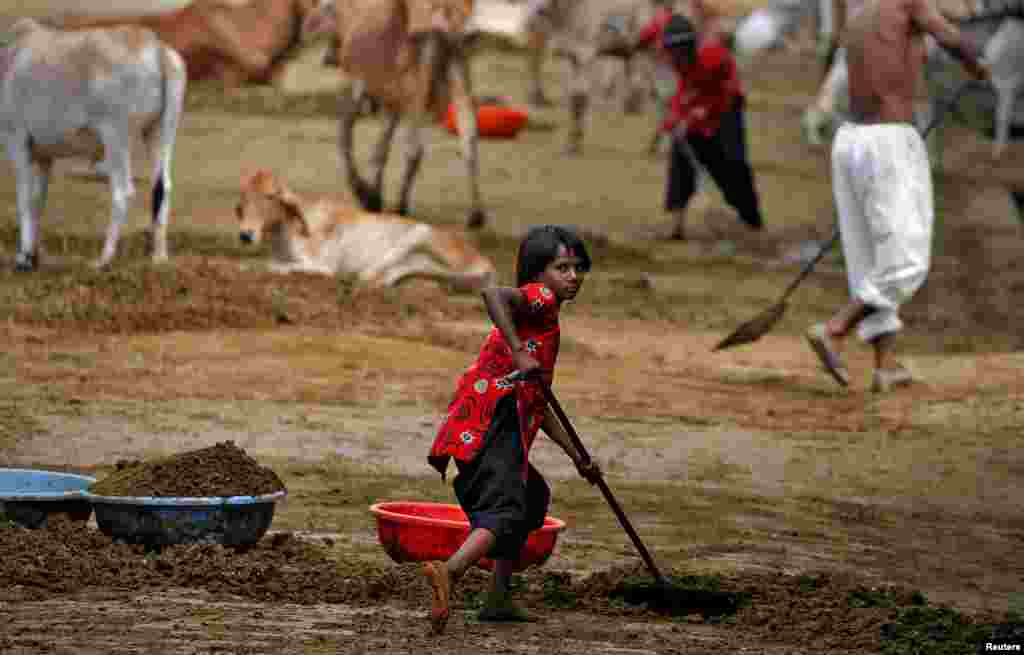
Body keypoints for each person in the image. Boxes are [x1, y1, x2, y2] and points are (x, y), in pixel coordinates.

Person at [423, 225, 602, 635]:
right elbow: (492, 293)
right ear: (538, 274)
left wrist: (579, 459)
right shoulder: (538, 298)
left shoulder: (548, 319)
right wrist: (520, 353)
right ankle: (449, 572)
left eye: (577, 268)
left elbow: (540, 404)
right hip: (492, 416)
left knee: (532, 497)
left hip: (502, 419)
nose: (573, 276)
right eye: (561, 267)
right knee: (506, 508)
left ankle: (498, 598)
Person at [805, 0, 988, 392]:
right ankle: (835, 328)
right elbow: (950, 36)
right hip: (888, 142)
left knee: (870, 258)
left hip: (851, 141)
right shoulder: (909, 2)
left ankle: (885, 364)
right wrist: (976, 65)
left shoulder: (861, 14)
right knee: (906, 259)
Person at [655, 14, 764, 240]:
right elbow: (682, 91)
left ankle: (750, 221)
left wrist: (703, 111)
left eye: (681, 50)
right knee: (681, 160)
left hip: (726, 113)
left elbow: (728, 90)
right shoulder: (674, 61)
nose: (676, 56)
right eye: (672, 50)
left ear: (690, 46)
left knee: (733, 166)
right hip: (696, 111)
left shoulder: (713, 56)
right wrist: (675, 119)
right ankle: (677, 225)